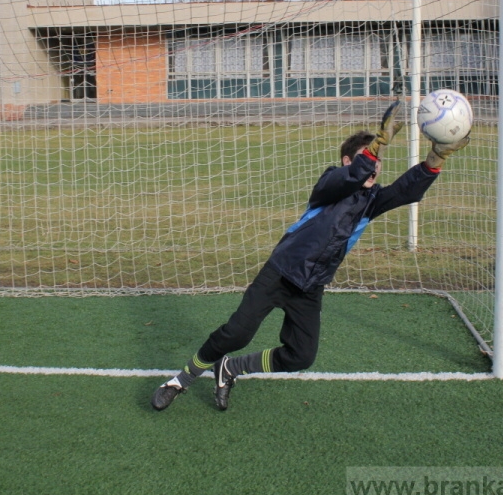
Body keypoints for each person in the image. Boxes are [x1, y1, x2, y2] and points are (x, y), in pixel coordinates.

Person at [151, 102, 470, 411]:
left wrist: (434, 161)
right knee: (236, 333)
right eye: (367, 158)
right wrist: (374, 150)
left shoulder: (372, 202)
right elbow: (346, 180)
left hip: (311, 287)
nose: (374, 165)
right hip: (280, 271)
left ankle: (230, 369)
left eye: (378, 159)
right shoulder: (330, 184)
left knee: (300, 356)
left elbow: (407, 191)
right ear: (348, 161)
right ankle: (181, 381)